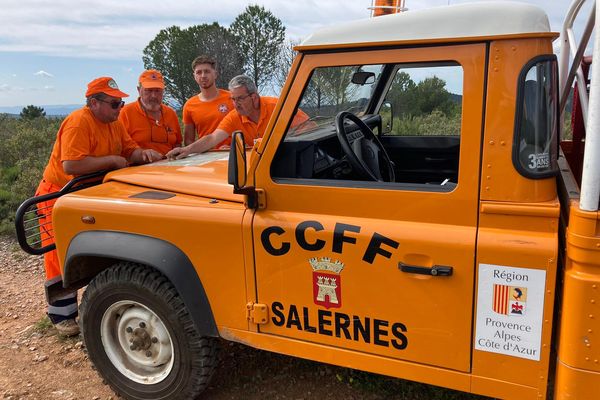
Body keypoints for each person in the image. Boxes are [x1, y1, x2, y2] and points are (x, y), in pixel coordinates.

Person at [36, 76, 162, 336]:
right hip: (57, 195)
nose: (120, 108)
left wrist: (143, 155)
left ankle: (97, 304)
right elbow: (71, 165)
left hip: (88, 194)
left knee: (93, 247)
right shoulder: (79, 122)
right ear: (94, 103)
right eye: (115, 103)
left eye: (121, 103)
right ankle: (62, 315)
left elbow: (130, 150)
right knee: (60, 254)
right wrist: (112, 161)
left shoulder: (114, 124)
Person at [167, 75, 310, 159]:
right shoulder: (234, 117)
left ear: (254, 97)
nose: (235, 104)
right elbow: (212, 138)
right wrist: (187, 150)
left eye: (240, 99)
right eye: (233, 99)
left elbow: (310, 129)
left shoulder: (278, 107)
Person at [119, 69, 182, 156]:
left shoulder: (171, 113)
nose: (153, 95)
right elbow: (120, 147)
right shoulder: (125, 113)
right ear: (139, 90)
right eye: (149, 90)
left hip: (169, 165)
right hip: (137, 167)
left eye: (157, 91)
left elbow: (177, 143)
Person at [182, 55, 234, 147]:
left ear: (215, 74)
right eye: (199, 72)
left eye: (207, 71)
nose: (203, 76)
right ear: (194, 76)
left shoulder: (232, 98)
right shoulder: (189, 105)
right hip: (207, 156)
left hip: (232, 153)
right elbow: (189, 140)